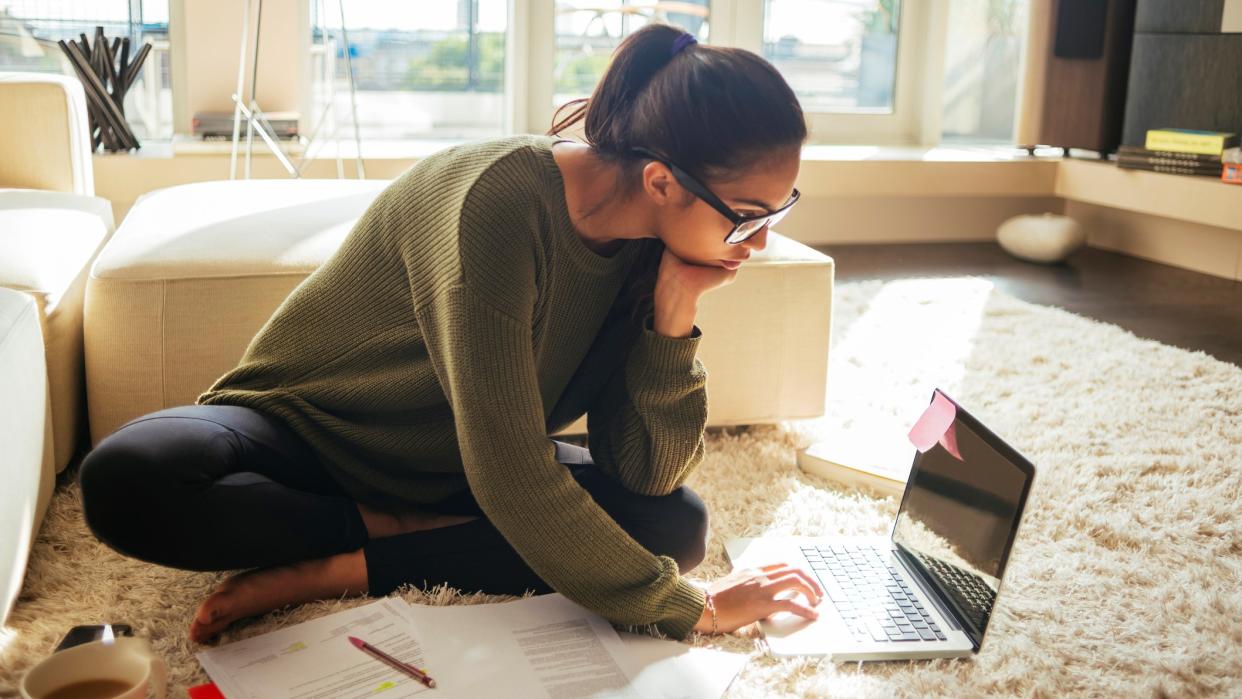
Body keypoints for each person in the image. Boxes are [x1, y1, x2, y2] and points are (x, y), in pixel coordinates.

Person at [78, 23, 823, 644]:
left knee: (676, 522)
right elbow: (511, 474)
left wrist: (672, 317)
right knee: (127, 477)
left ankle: (347, 563)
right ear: (662, 180)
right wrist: (698, 608)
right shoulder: (499, 203)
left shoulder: (656, 254)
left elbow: (644, 473)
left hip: (459, 465)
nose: (757, 244)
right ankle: (389, 530)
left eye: (777, 212)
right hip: (311, 432)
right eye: (747, 215)